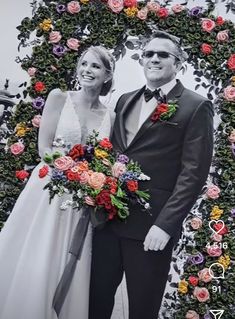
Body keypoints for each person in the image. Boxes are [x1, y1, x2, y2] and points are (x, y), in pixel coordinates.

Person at [89, 31, 214, 319]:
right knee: (95, 305)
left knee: (142, 310)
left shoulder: (196, 106)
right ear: (141, 59)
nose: (154, 59)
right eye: (149, 54)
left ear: (178, 63)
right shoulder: (124, 100)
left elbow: (193, 174)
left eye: (163, 54)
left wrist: (165, 225)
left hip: (151, 229)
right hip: (108, 222)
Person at [0, 45, 115, 319]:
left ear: (107, 75)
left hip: (83, 199)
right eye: (84, 64)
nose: (88, 70)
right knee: (39, 249)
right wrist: (72, 172)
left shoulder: (110, 115)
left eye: (96, 66)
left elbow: (107, 157)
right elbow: (44, 148)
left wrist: (91, 180)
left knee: (69, 255)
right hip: (49, 189)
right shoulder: (59, 97)